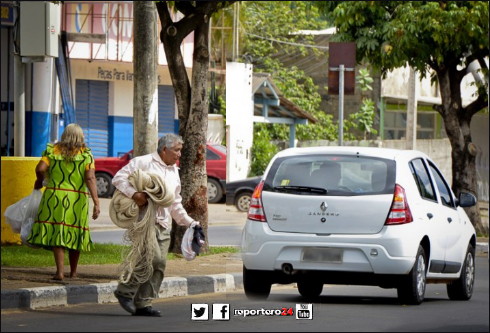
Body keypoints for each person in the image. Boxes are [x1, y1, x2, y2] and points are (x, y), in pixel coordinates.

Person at [112, 133, 199, 317]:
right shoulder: (143, 162)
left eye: (180, 151)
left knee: (159, 265)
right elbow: (118, 178)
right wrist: (135, 194)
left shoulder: (174, 171)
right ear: (164, 149)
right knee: (151, 259)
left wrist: (190, 223)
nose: (179, 155)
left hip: (163, 223)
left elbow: (174, 203)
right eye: (177, 150)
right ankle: (124, 292)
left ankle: (144, 304)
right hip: (144, 221)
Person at [27, 123, 100, 280]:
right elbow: (90, 177)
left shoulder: (53, 150)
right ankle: (73, 272)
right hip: (76, 198)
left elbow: (40, 169)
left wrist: (40, 181)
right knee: (75, 232)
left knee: (57, 232)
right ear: (80, 137)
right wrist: (96, 201)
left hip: (54, 196)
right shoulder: (86, 154)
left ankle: (59, 272)